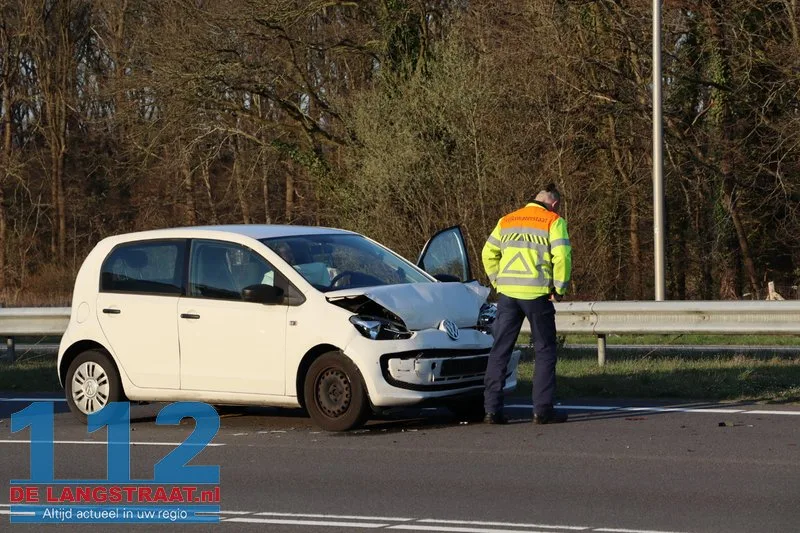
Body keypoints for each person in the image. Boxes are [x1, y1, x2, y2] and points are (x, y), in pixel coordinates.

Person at [481, 184, 572, 424]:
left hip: (508, 295)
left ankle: (491, 410)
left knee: (500, 350)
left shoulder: (507, 220)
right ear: (553, 204)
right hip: (537, 294)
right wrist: (559, 288)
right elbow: (562, 256)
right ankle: (542, 411)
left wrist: (497, 280)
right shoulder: (553, 221)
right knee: (544, 350)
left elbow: (487, 253)